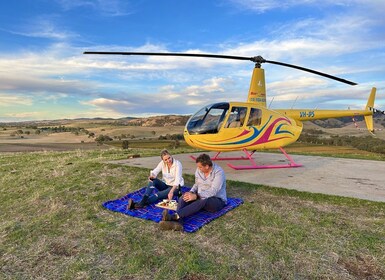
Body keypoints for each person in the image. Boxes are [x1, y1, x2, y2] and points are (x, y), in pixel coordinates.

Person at [159, 153, 227, 231]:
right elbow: (197, 184)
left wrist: (196, 196)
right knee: (183, 197)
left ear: (207, 166)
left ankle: (173, 217)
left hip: (216, 200)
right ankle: (179, 224)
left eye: (200, 167)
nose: (198, 168)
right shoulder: (199, 170)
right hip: (199, 197)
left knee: (203, 199)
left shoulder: (219, 172)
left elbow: (213, 191)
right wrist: (191, 192)